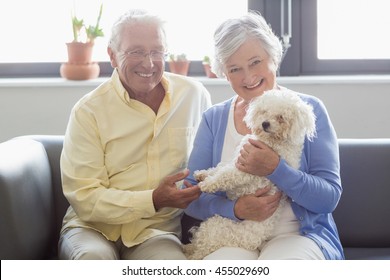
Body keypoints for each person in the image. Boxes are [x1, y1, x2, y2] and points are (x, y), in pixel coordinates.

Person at [182, 11, 344, 260]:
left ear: (273, 58)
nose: (248, 77)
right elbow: (190, 194)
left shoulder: (308, 112)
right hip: (233, 233)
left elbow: (328, 197)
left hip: (298, 236)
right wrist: (234, 208)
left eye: (255, 62)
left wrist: (276, 169)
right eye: (235, 69)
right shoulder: (214, 119)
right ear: (224, 74)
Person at [58, 9, 212, 260]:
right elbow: (85, 198)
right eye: (136, 51)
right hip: (93, 229)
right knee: (93, 262)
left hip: (156, 231)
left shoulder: (194, 95)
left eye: (157, 51)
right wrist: (153, 199)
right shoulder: (88, 111)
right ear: (113, 56)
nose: (148, 63)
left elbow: (213, 161)